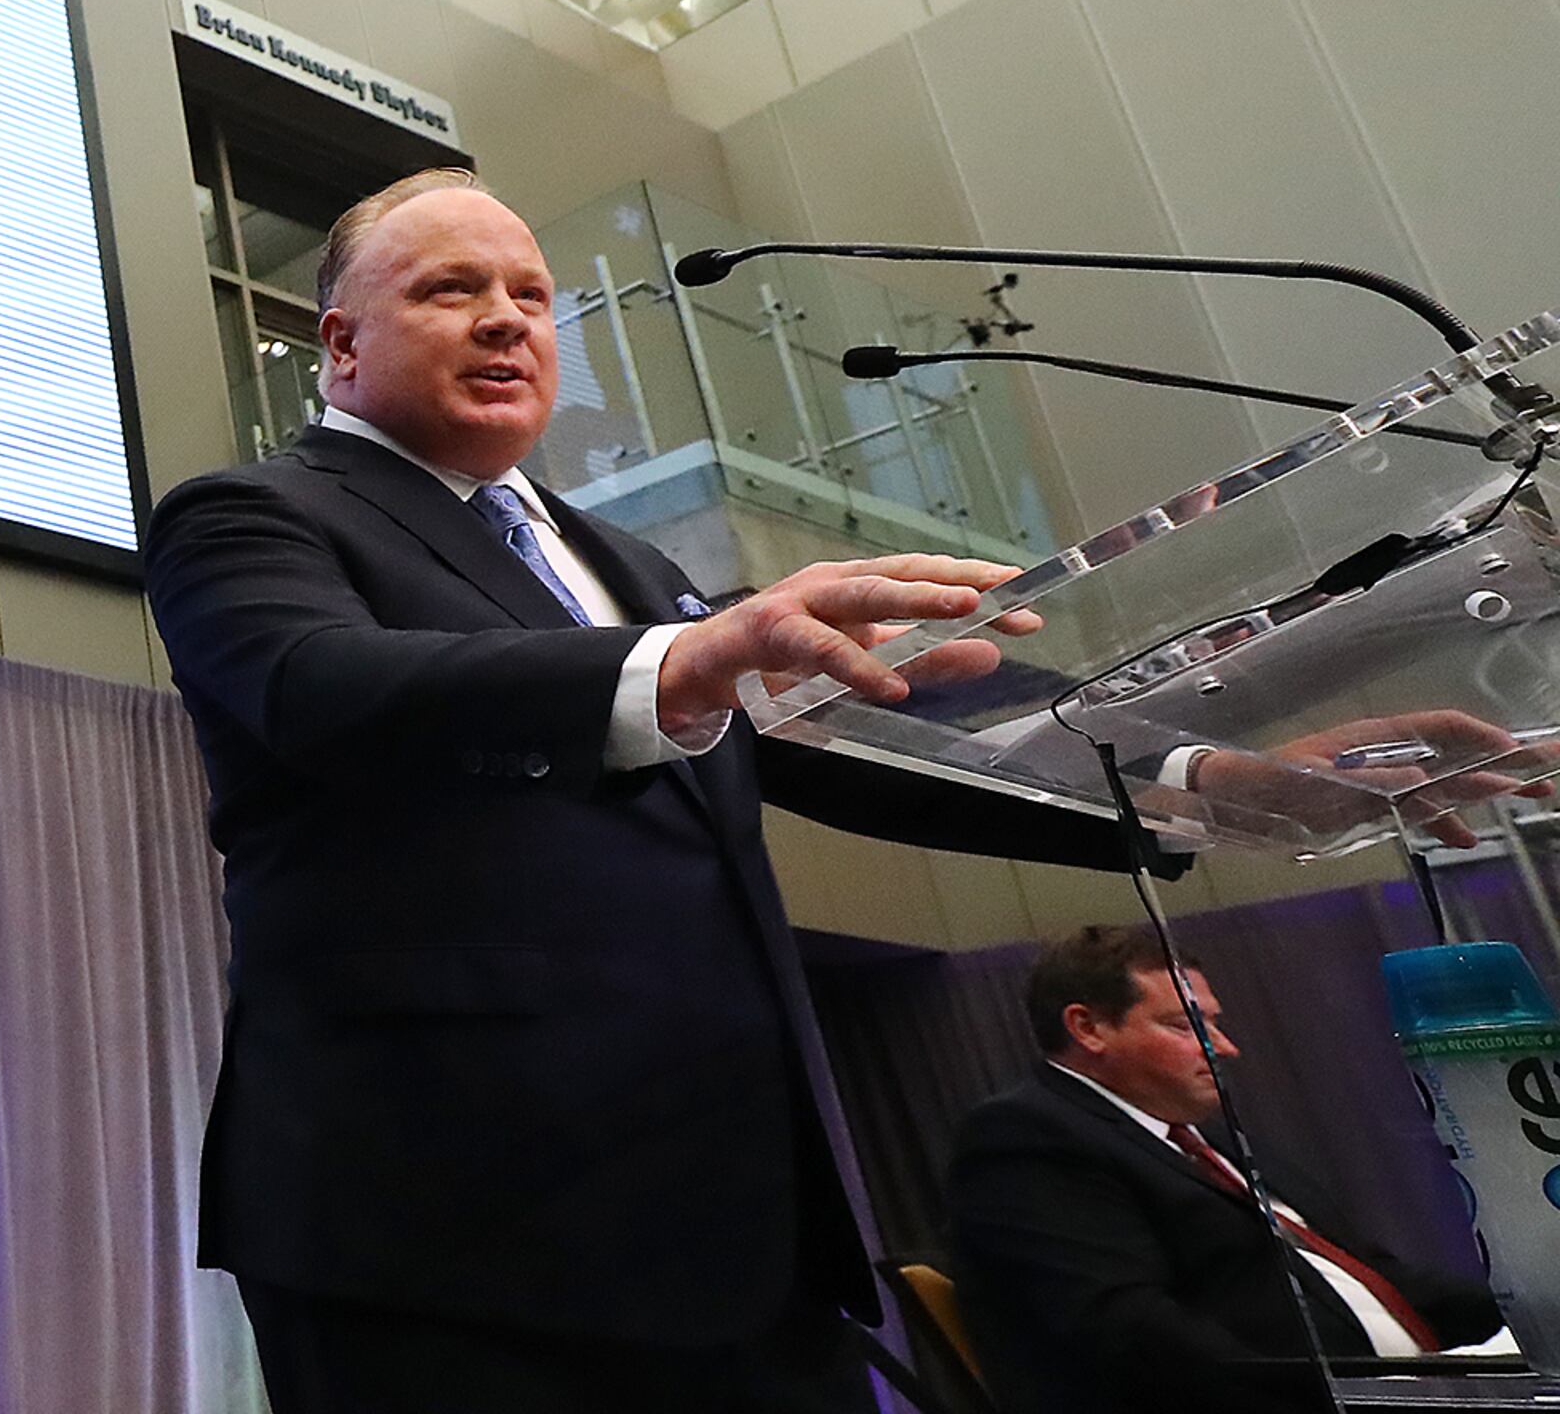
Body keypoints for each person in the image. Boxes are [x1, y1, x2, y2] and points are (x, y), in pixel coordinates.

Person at [143, 165, 1156, 1414]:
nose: (510, 318)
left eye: (530, 292)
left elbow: (841, 726)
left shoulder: (622, 558)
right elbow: (322, 686)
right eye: (453, 289)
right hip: (448, 1244)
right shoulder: (250, 516)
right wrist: (693, 654)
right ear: (341, 345)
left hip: (740, 1229)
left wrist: (1200, 772)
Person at [948, 926, 1498, 1414]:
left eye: (1214, 1023)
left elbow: (1373, 1272)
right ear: (1088, 1027)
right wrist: (1374, 1393)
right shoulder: (1024, 1136)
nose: (1225, 1048)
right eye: (1186, 1026)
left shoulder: (1209, 1143)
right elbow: (1134, 1337)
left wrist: (1535, 1321)